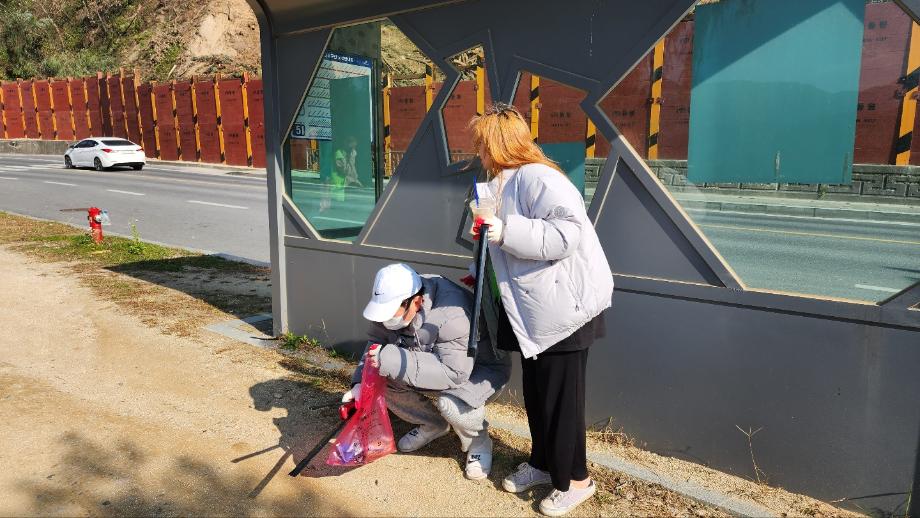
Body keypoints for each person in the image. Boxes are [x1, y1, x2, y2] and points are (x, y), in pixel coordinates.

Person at [468, 103, 613, 517]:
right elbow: (498, 246)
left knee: (563, 401)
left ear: (498, 143)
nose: (478, 152)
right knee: (538, 394)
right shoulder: (501, 183)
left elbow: (567, 234)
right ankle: (544, 463)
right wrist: (480, 269)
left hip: (562, 310)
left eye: (482, 143)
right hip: (533, 310)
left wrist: (506, 230)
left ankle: (577, 480)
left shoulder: (540, 177)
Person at [343, 263, 511, 480]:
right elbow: (376, 342)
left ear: (416, 302)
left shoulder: (453, 315)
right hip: (430, 363)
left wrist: (391, 359)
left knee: (451, 404)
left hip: (480, 370)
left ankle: (479, 442)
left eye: (391, 315)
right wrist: (360, 383)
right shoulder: (395, 301)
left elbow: (454, 373)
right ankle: (433, 424)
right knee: (380, 378)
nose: (386, 321)